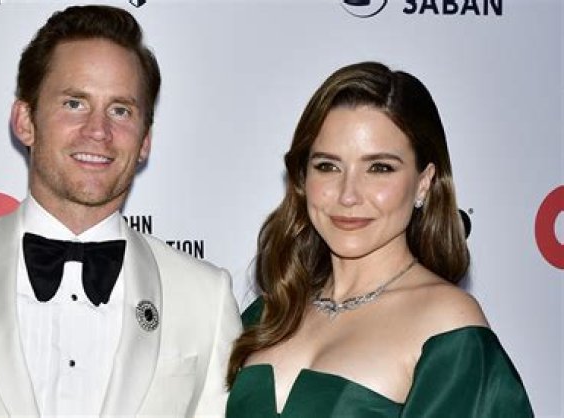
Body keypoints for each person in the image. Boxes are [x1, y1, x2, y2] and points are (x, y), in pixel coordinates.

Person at [0, 5, 241, 417]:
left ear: (145, 141)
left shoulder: (205, 298)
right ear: (25, 121)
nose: (99, 131)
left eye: (121, 110)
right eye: (75, 103)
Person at [225, 62, 533, 417]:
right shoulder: (272, 311)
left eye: (379, 168)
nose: (348, 195)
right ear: (302, 177)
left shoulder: (447, 325)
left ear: (423, 182)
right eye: (327, 166)